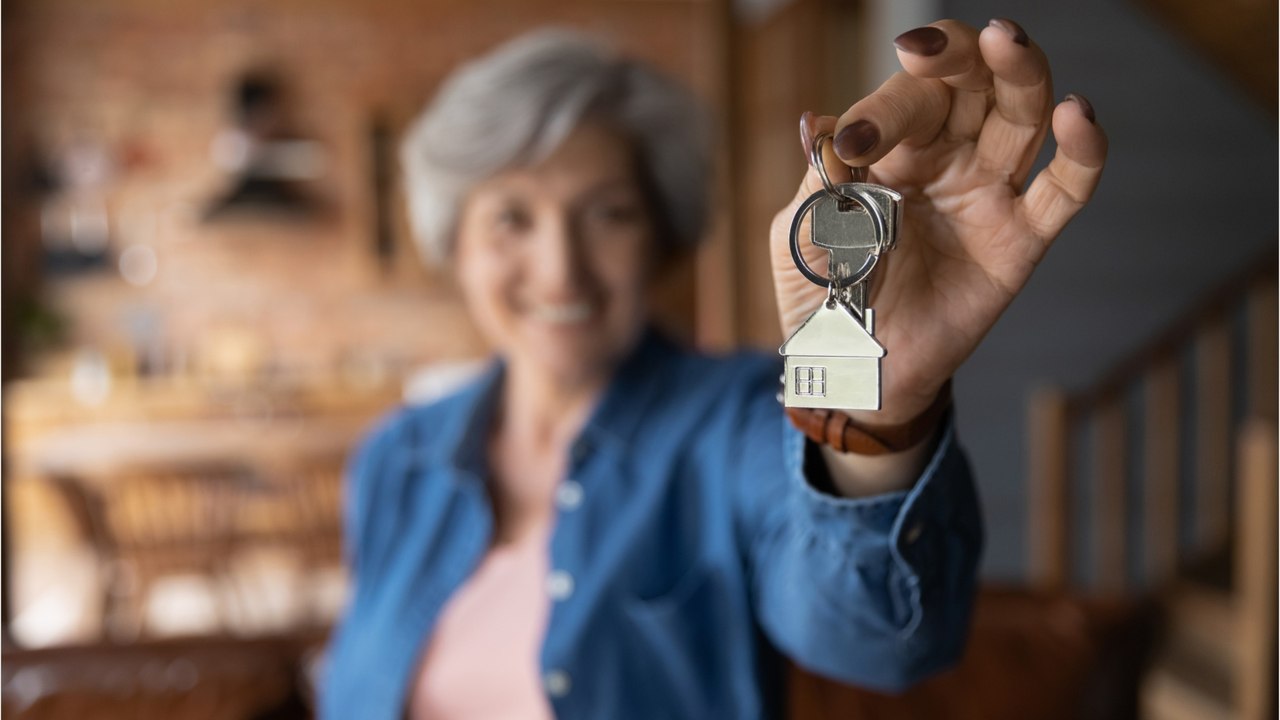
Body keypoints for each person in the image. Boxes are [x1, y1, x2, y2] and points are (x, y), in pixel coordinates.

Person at [321, 17, 1107, 720]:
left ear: (662, 237)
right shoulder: (395, 457)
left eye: (608, 213)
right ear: (453, 244)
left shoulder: (744, 418)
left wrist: (867, 405)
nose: (560, 271)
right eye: (510, 218)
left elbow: (876, 643)